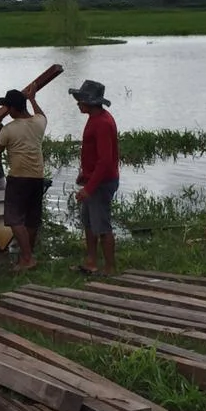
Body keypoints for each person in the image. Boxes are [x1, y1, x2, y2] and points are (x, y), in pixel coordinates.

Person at [0, 86, 47, 271]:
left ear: (14, 108)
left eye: (8, 108)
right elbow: (41, 115)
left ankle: (27, 258)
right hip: (37, 177)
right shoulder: (38, 123)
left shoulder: (8, 129)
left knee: (14, 219)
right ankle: (27, 257)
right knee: (31, 220)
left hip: (19, 178)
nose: (7, 112)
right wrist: (32, 98)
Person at [70, 79, 119, 275]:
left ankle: (110, 268)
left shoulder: (103, 123)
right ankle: (91, 262)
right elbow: (96, 155)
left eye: (81, 100)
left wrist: (89, 188)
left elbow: (105, 161)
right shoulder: (95, 118)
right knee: (89, 223)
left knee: (102, 225)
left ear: (90, 102)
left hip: (102, 183)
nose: (78, 103)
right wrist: (85, 174)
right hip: (94, 179)